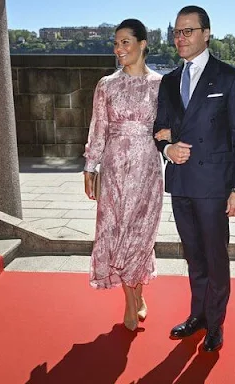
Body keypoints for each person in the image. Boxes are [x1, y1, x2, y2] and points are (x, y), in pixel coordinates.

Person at [153, 5, 235, 352]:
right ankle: (197, 315)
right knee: (193, 256)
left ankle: (215, 323)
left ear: (206, 34)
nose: (180, 38)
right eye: (177, 32)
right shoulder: (167, 81)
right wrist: (167, 148)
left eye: (188, 31)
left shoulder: (229, 77)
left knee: (215, 257)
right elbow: (158, 130)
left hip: (214, 186)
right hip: (180, 182)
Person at [83, 19, 163, 331]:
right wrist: (91, 167)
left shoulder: (160, 85)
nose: (119, 49)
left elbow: (168, 128)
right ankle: (131, 304)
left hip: (147, 170)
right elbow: (98, 127)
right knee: (117, 236)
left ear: (143, 44)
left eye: (125, 42)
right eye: (116, 43)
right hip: (114, 170)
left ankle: (138, 296)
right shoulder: (106, 85)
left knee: (140, 237)